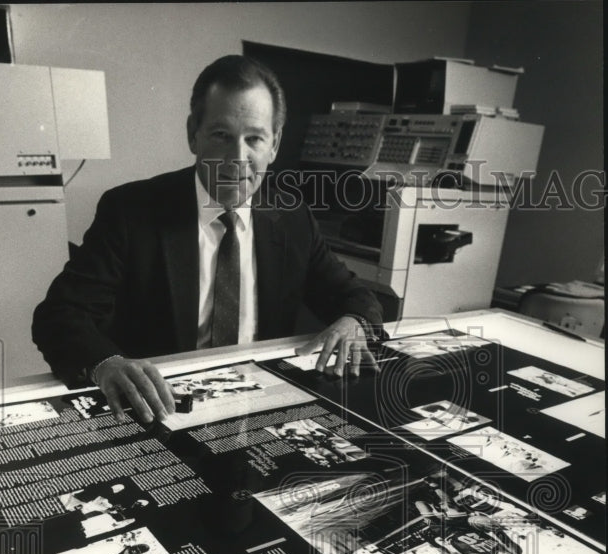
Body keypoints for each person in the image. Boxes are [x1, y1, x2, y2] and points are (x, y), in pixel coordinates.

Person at [32, 55, 384, 423]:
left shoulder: (292, 217)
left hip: (256, 406)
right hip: (159, 408)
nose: (237, 158)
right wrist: (105, 364)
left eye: (254, 139)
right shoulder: (130, 211)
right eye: (221, 136)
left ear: (275, 144)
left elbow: (355, 297)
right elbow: (59, 315)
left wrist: (353, 322)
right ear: (192, 134)